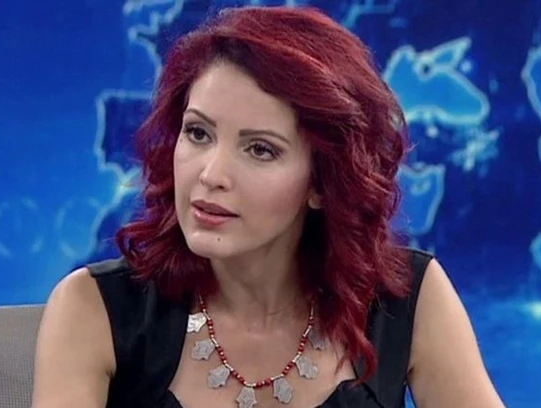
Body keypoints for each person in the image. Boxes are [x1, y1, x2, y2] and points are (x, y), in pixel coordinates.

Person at [32, 5, 505, 408]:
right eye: (198, 133)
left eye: (260, 149)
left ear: (322, 182)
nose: (211, 174)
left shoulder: (406, 299)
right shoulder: (94, 309)